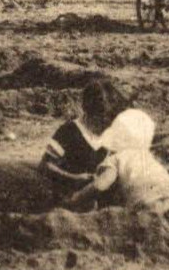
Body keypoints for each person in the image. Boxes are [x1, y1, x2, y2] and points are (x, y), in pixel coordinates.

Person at [37, 76, 130, 208]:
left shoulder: (111, 135)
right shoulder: (69, 132)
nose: (109, 125)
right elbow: (45, 166)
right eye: (104, 120)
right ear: (91, 113)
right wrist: (73, 178)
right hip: (69, 198)